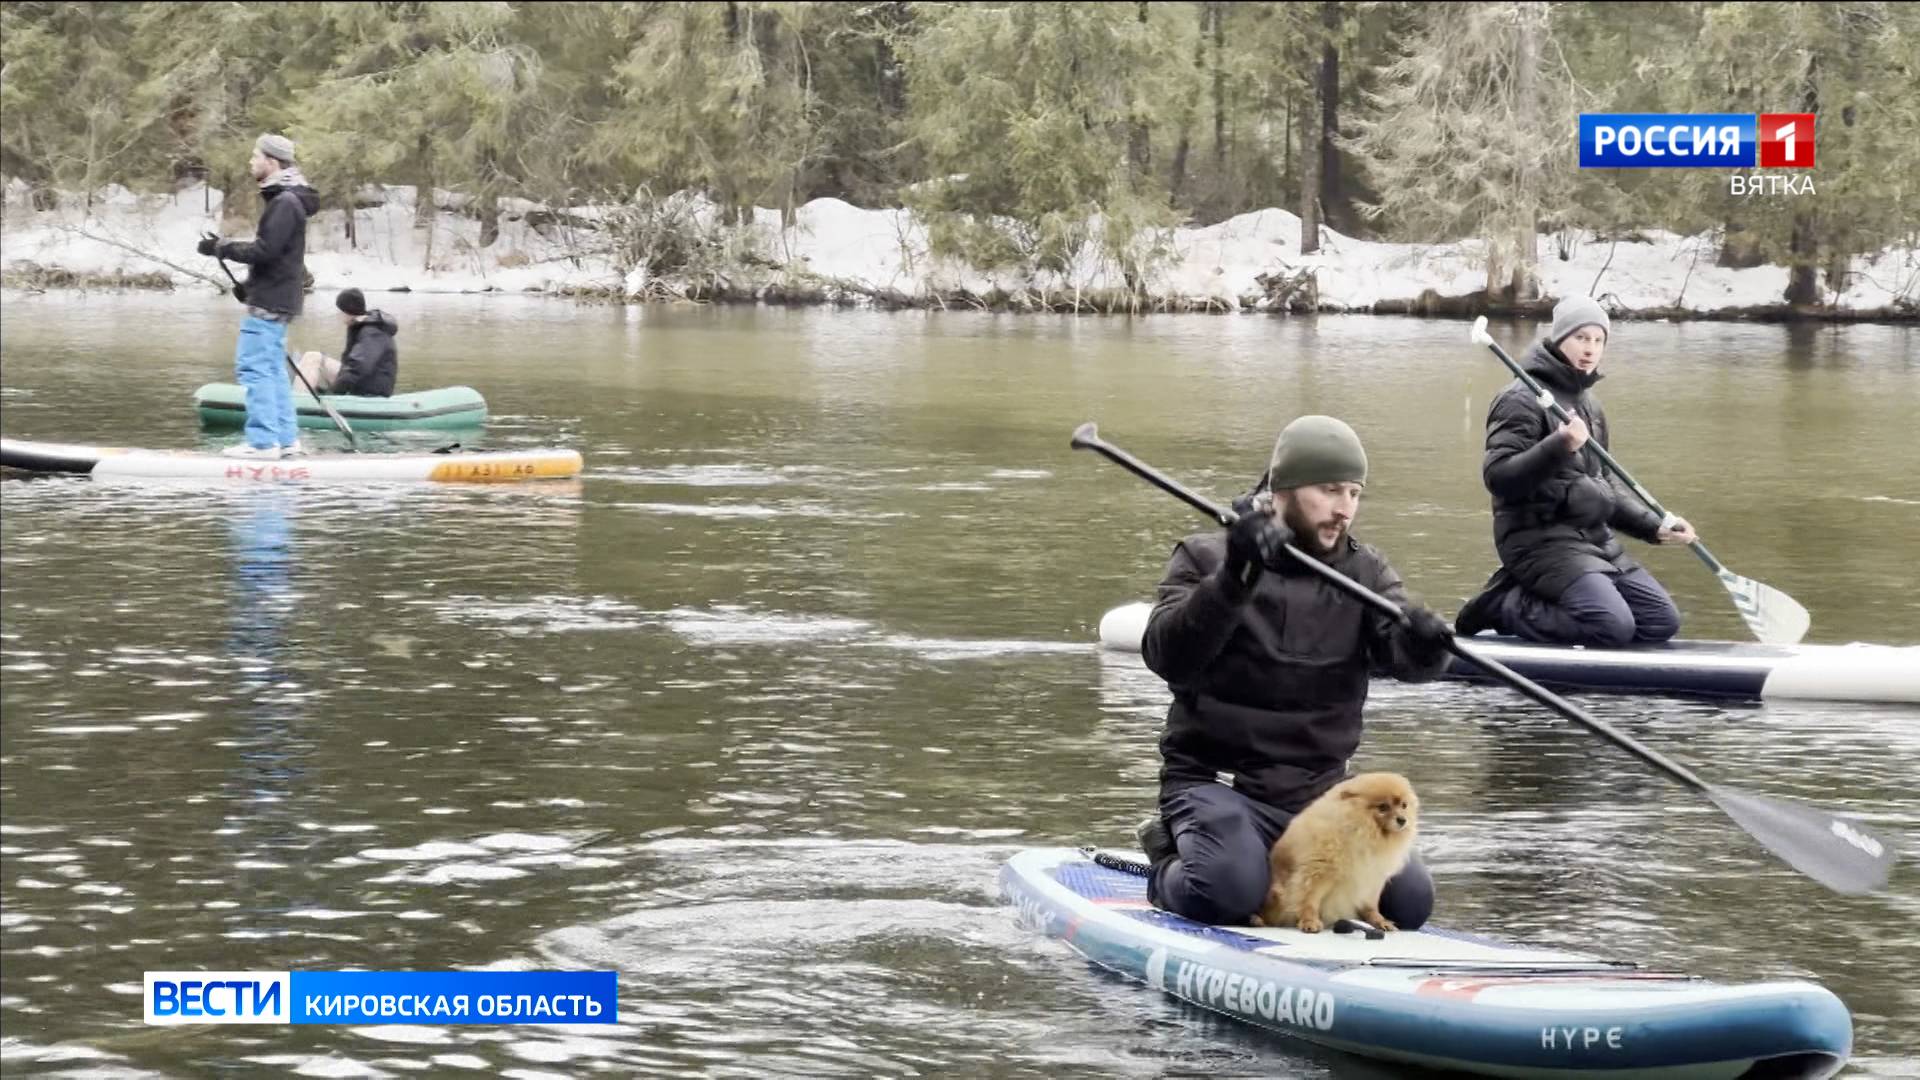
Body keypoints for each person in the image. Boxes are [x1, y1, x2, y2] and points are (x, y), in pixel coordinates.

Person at [1136, 416, 1455, 929]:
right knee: (1229, 891)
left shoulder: (1365, 572)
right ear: (1283, 488)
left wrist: (1426, 646)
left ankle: (1261, 866)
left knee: (1409, 903)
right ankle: (1168, 861)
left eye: (1354, 493)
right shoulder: (1206, 555)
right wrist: (1235, 577)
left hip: (1317, 793)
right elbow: (1168, 656)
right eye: (1329, 490)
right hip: (1218, 783)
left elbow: (1407, 663)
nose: (1343, 508)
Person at [1453, 297, 1695, 647]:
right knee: (1612, 626)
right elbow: (1499, 478)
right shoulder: (1519, 399)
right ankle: (1504, 605)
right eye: (1581, 338)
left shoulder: (1590, 406)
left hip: (1595, 542)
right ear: (1559, 338)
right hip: (1537, 543)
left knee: (1660, 622)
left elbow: (1605, 483)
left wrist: (1654, 526)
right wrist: (1558, 446)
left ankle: (1573, 605)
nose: (1590, 349)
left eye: (1598, 341)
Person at [197, 133, 320, 458]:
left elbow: (265, 251)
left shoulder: (284, 203)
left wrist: (220, 248)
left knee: (254, 368)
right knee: (273, 370)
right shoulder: (288, 199)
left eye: (256, 156)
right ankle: (286, 440)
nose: (251, 162)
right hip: (276, 297)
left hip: (271, 302)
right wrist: (250, 287)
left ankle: (263, 443)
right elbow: (277, 256)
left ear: (273, 162)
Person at [294, 289, 399, 397]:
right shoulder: (360, 325)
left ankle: (298, 402)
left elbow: (357, 369)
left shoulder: (371, 333)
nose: (338, 315)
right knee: (313, 357)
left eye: (340, 311)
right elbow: (351, 365)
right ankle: (303, 394)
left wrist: (334, 393)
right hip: (366, 381)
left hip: (372, 389)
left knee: (312, 358)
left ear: (348, 311)